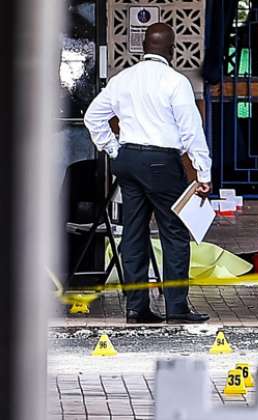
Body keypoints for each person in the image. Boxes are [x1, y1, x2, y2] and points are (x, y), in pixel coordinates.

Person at [84, 23, 211, 324]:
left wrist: (114, 149)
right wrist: (202, 173)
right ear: (172, 49)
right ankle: (177, 308)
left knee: (133, 232)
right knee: (174, 233)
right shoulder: (175, 82)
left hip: (128, 161)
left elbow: (93, 117)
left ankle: (136, 308)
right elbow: (191, 130)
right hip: (161, 163)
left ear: (143, 48)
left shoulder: (122, 79)